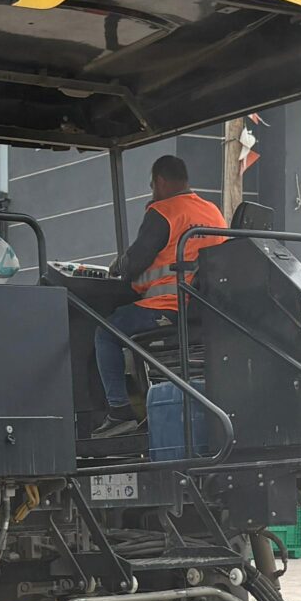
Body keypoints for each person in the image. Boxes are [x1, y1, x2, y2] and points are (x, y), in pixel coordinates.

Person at [91, 154, 225, 439]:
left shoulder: (163, 211)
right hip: (204, 311)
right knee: (129, 331)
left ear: (161, 182)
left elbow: (134, 264)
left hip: (168, 306)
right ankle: (146, 407)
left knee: (106, 332)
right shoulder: (213, 211)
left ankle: (119, 412)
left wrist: (120, 265)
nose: (153, 191)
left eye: (153, 185)